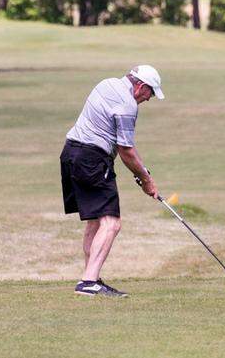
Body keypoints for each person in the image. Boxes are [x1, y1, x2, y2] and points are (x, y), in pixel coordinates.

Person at [60, 65, 163, 297]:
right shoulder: (127, 106)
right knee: (112, 223)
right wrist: (146, 181)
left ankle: (91, 278)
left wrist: (143, 172)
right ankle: (88, 282)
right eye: (151, 93)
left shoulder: (106, 83)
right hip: (92, 159)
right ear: (140, 86)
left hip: (71, 153)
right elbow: (125, 150)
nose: (149, 99)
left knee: (95, 221)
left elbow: (122, 145)